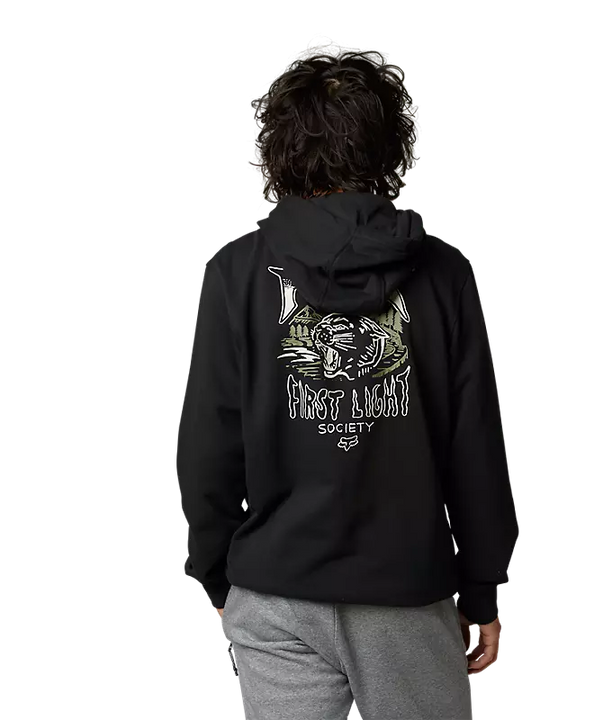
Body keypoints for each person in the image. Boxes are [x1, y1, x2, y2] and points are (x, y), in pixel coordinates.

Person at [174, 39, 520, 720]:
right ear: (390, 146)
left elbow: (205, 449)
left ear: (279, 146)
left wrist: (216, 575)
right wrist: (483, 589)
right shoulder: (443, 273)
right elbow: (476, 448)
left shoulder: (235, 271)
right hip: (406, 595)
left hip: (276, 594)